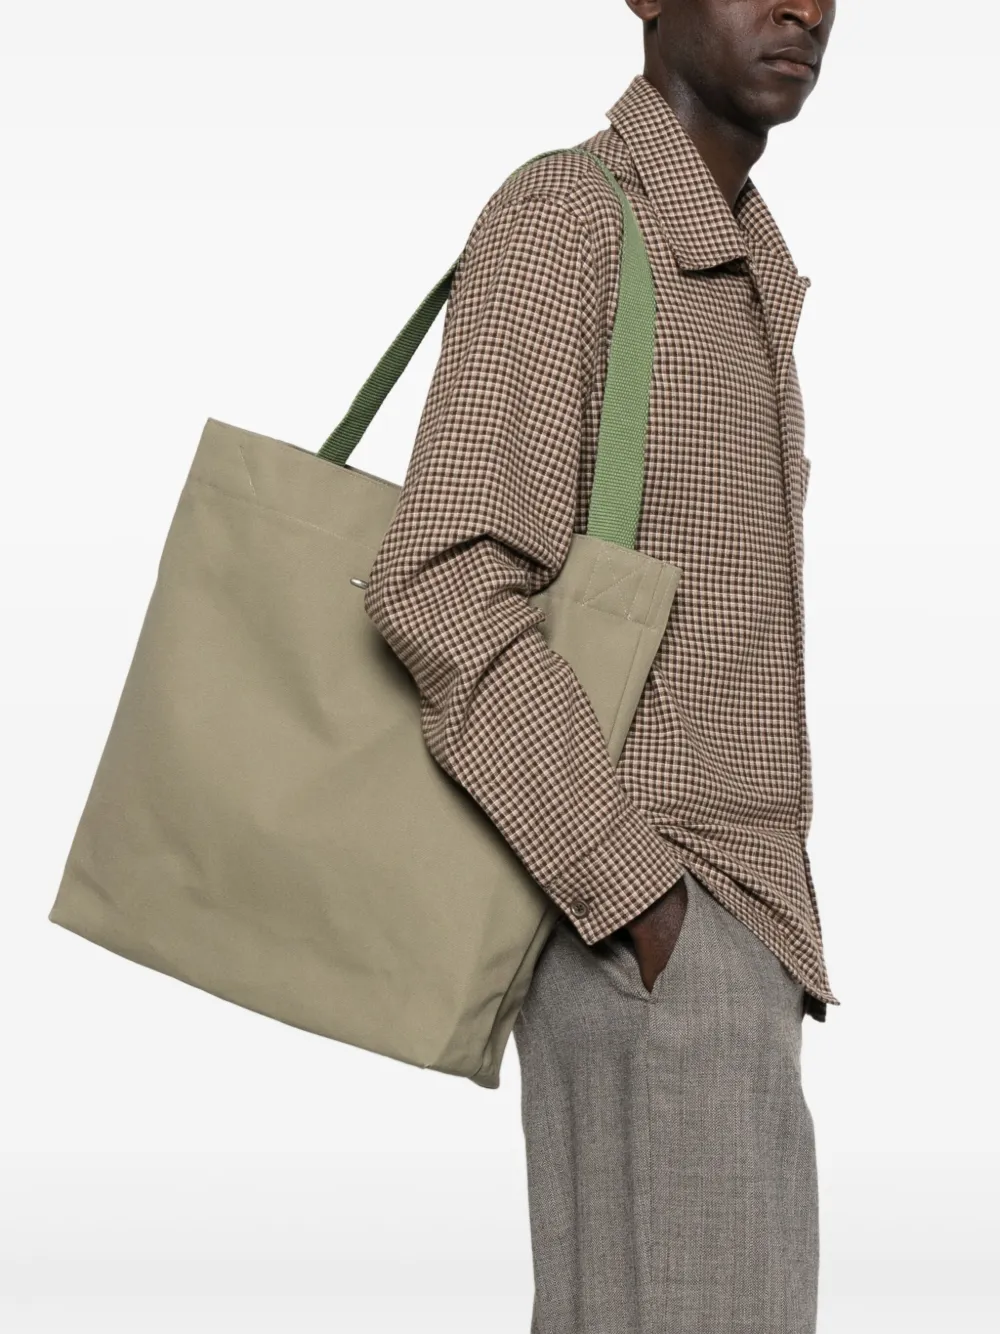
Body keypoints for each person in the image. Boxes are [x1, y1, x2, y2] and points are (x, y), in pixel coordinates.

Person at [363, 1, 838, 1329]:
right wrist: (641, 899)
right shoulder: (570, 223)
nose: (804, 7)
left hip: (725, 935)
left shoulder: (738, 258)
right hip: (655, 925)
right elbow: (441, 575)